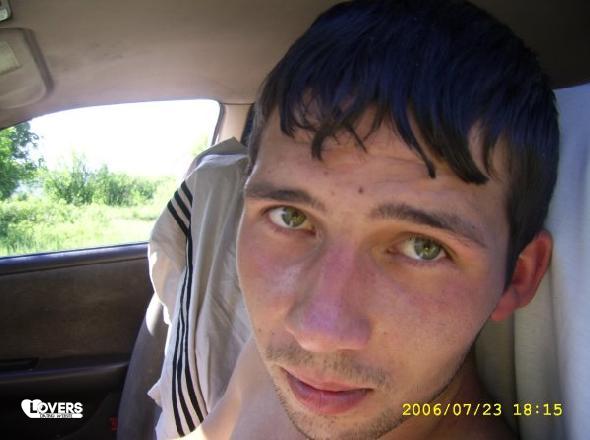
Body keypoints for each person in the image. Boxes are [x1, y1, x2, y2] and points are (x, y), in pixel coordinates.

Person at [148, 0, 559, 438]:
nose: (317, 333)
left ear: (516, 276)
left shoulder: (297, 351)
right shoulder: (274, 365)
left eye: (423, 247)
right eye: (290, 217)